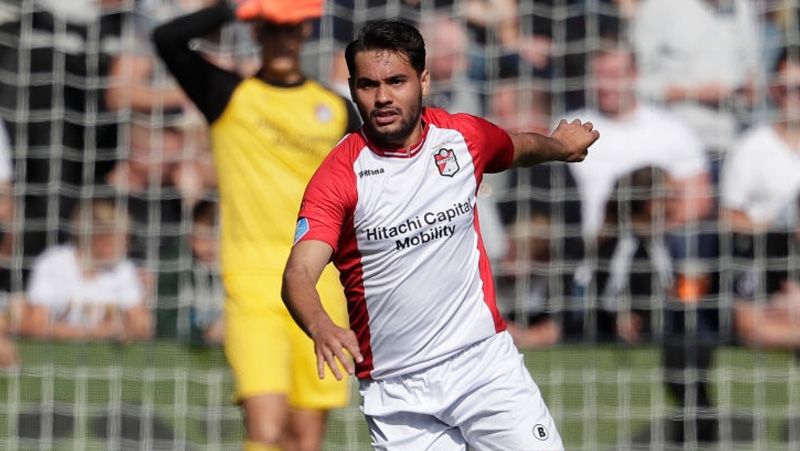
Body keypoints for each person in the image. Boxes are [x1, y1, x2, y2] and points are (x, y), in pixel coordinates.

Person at [282, 20, 598, 450]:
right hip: (398, 393)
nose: (383, 97)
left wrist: (559, 147)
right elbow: (298, 272)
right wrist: (320, 323)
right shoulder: (338, 177)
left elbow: (515, 147)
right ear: (353, 89)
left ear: (424, 80)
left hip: (483, 365)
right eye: (368, 85)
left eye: (397, 81)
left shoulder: (463, 137)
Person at [152, 1, 361, 449]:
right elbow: (166, 40)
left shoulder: (337, 110)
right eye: (269, 30)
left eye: (289, 30)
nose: (280, 40)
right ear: (255, 34)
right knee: (265, 429)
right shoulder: (228, 96)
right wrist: (235, 7)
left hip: (322, 284)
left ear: (305, 32)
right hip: (251, 284)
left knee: (304, 438)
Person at [564, 44, 712, 240]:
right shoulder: (568, 128)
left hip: (654, 248)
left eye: (615, 75)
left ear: (634, 74)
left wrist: (646, 233)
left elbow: (698, 201)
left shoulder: (672, 130)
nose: (606, 84)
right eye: (599, 75)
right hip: (582, 249)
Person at [18, 197, 151, 341]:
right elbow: (35, 326)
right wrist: (92, 333)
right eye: (119, 239)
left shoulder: (123, 270)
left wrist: (128, 327)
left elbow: (143, 328)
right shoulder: (53, 263)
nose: (125, 247)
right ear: (95, 236)